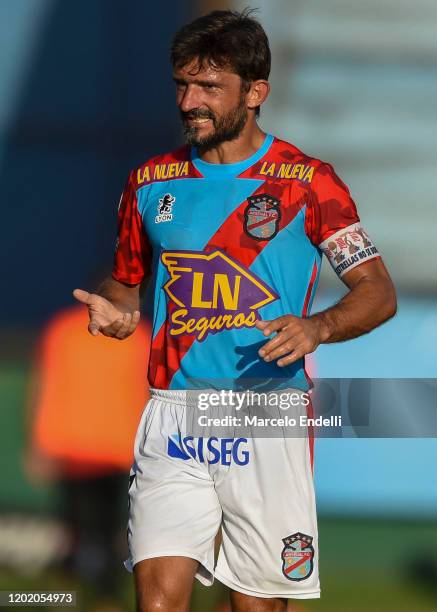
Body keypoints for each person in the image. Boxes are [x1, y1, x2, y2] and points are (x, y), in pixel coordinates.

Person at [73, 9, 396, 612]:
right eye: (182, 84)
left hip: (265, 412)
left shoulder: (308, 182)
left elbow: (378, 291)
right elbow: (126, 285)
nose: (189, 101)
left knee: (256, 606)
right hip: (174, 413)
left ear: (255, 92)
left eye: (208, 87)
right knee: (158, 603)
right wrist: (116, 311)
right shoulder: (151, 181)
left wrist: (319, 326)